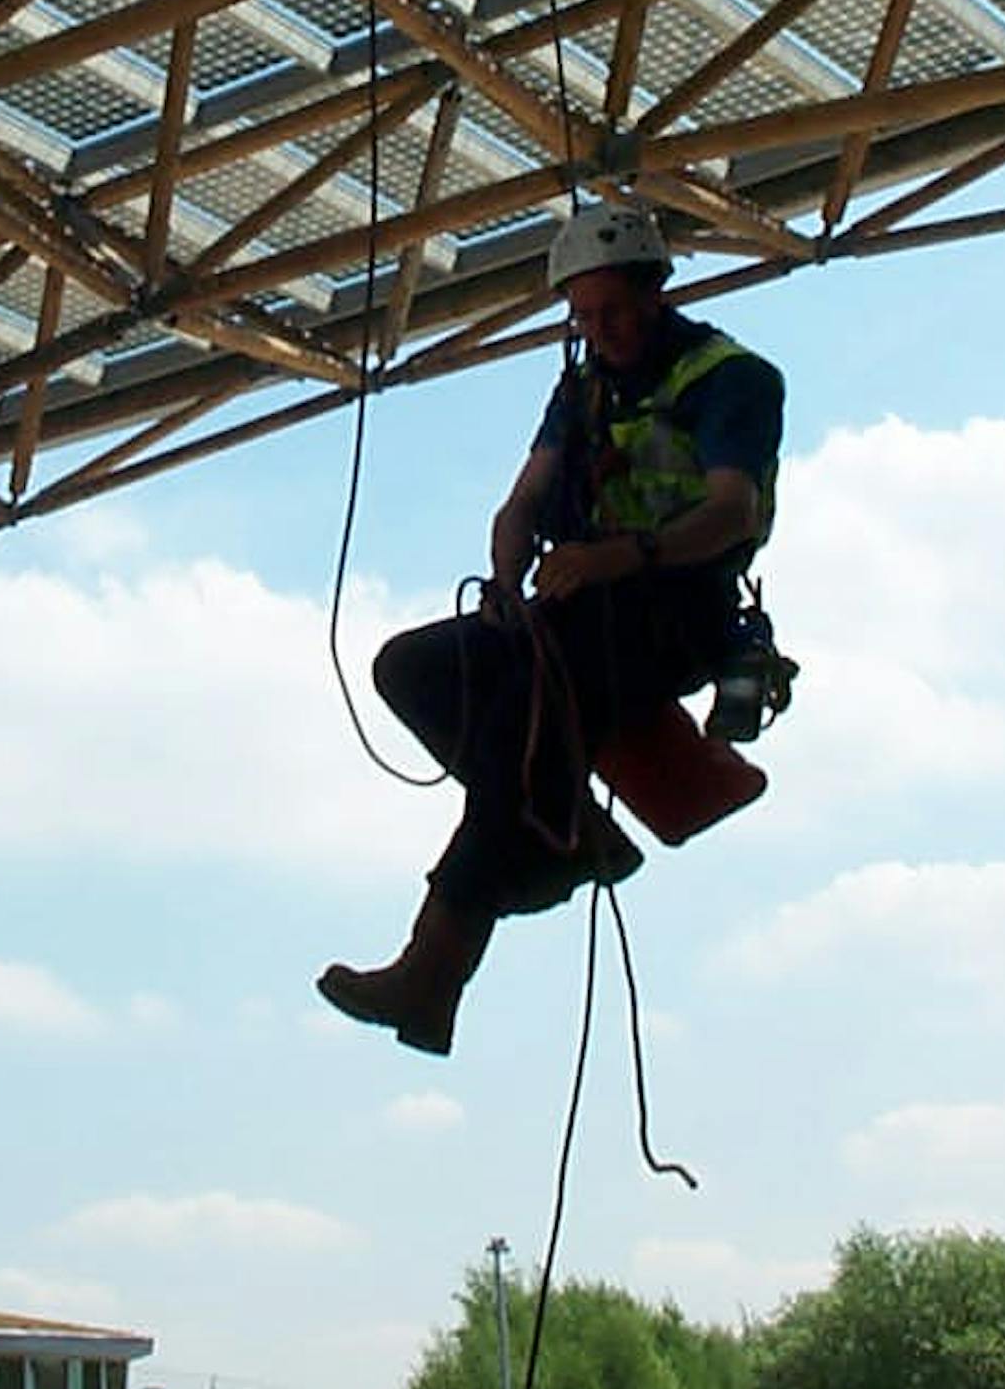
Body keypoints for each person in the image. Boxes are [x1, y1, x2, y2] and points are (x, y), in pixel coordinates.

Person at [319, 203, 784, 1055]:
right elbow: (524, 501)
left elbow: (730, 511)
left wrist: (622, 557)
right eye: (582, 313)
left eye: (610, 310)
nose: (596, 328)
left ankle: (435, 967)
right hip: (575, 608)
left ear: (655, 291)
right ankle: (562, 825)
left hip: (676, 614)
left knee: (518, 728)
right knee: (413, 668)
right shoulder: (582, 388)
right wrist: (503, 582)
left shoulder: (732, 379)